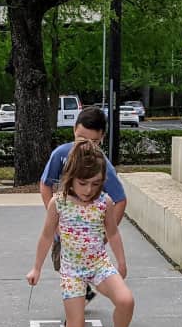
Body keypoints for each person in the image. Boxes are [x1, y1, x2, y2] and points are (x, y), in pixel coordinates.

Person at [27, 140, 145, 327]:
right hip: (72, 271)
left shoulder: (104, 202)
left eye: (95, 183)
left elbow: (113, 233)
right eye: (83, 183)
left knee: (126, 300)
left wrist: (121, 262)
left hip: (99, 264)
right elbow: (46, 237)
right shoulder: (59, 204)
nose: (89, 190)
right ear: (70, 177)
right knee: (76, 326)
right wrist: (36, 268)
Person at [39, 106, 127, 305]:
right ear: (73, 130)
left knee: (84, 270)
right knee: (61, 264)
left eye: (93, 142)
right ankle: (82, 293)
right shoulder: (61, 154)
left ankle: (81, 297)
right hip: (65, 231)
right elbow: (45, 185)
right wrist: (55, 218)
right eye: (81, 139)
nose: (86, 147)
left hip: (90, 238)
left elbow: (120, 199)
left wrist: (106, 233)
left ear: (102, 138)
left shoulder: (101, 164)